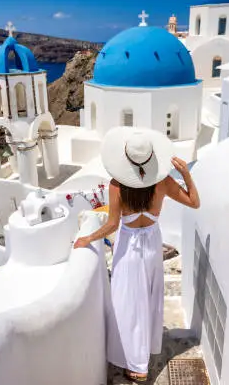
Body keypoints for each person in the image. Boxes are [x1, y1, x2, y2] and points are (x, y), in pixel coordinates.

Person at [74, 127, 200, 382]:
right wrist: (186, 173)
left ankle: (138, 364)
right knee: (149, 298)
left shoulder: (118, 186)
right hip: (152, 243)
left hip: (129, 246)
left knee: (129, 304)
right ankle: (146, 351)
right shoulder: (163, 181)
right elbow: (194, 202)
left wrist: (87, 238)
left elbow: (111, 225)